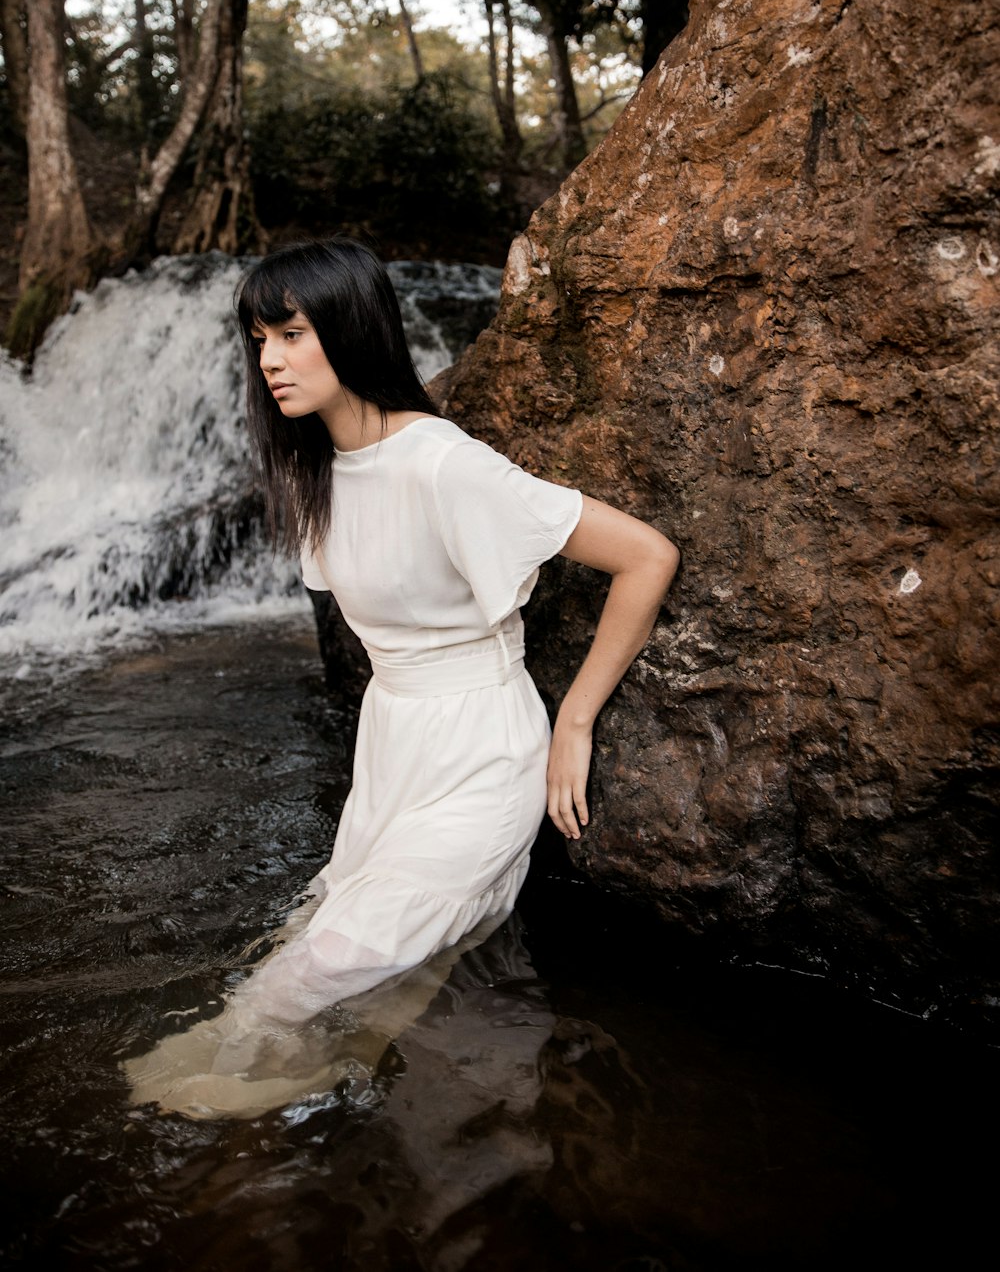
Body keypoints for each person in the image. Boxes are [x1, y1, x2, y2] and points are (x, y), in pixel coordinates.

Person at [126, 236, 678, 1117]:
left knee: (324, 967)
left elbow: (647, 555)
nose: (269, 359)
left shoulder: (445, 464)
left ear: (350, 328)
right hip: (393, 748)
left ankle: (280, 1077)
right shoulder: (323, 472)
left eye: (292, 333)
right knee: (307, 949)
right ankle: (322, 1078)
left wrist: (574, 722)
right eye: (259, 339)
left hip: (480, 749)